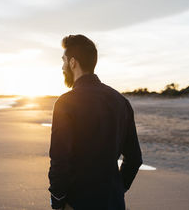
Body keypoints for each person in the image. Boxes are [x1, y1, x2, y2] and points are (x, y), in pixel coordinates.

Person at [48, 34, 143, 210]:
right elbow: (134, 158)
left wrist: (57, 200)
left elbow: (60, 161)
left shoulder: (65, 103)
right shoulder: (121, 102)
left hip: (77, 202)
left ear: (73, 63)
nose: (62, 67)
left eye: (63, 61)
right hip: (113, 202)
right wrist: (118, 189)